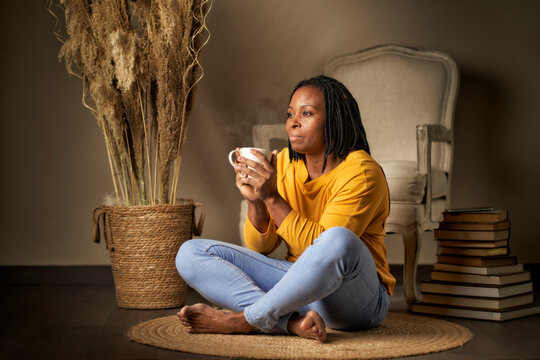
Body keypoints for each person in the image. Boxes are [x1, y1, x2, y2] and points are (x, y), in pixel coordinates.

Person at [175, 75, 395, 342]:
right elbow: (261, 248)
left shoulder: (361, 172)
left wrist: (272, 198)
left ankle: (244, 320)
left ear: (335, 120)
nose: (293, 121)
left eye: (307, 113)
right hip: (297, 292)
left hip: (354, 301)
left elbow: (323, 251)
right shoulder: (287, 167)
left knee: (339, 240)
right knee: (190, 253)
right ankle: (289, 323)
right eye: (290, 113)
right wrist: (256, 200)